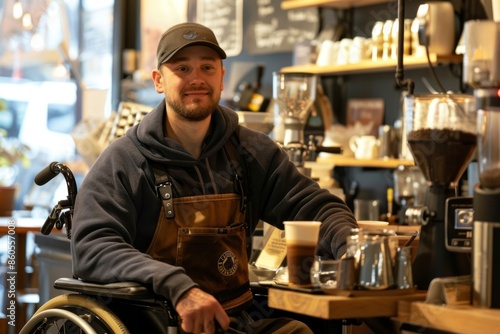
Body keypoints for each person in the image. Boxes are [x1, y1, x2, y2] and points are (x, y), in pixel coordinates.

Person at [72, 22, 358, 334]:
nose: (196, 79)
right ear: (158, 81)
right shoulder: (124, 161)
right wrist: (177, 287)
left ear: (221, 78)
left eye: (207, 67)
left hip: (238, 322)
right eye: (182, 68)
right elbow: (93, 246)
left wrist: (351, 247)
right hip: (156, 324)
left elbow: (316, 207)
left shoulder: (251, 152)